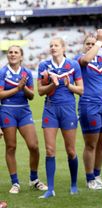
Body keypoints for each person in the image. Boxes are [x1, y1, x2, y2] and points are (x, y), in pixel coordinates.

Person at [37, 37, 84, 198]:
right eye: (51, 45)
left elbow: (81, 90)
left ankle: (74, 184)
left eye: (56, 45)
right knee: (50, 150)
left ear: (63, 48)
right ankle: (50, 189)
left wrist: (68, 85)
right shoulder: (44, 66)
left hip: (68, 109)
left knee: (70, 151)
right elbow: (40, 91)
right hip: (50, 109)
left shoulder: (73, 65)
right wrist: (53, 84)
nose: (53, 47)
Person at [0, 45, 47, 194]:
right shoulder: (2, 72)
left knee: (34, 146)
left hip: (24, 111)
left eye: (16, 52)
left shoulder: (26, 72)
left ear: (21, 56)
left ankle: (34, 179)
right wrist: (17, 88)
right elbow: (0, 95)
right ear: (8, 56)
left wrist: (24, 87)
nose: (12, 54)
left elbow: (32, 95)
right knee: (11, 147)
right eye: (10, 52)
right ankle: (15, 183)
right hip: (7, 111)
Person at [75, 29, 102, 190]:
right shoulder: (79, 59)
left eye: (92, 43)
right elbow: (86, 60)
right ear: (84, 46)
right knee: (91, 144)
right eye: (88, 44)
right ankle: (89, 177)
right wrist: (98, 42)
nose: (90, 46)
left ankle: (97, 174)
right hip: (88, 105)